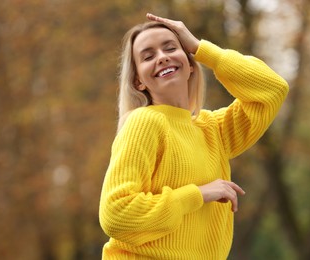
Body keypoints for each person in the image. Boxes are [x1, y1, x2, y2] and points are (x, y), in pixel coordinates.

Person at [99, 13, 289, 259]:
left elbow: (272, 88)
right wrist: (198, 194)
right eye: (148, 56)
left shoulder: (212, 129)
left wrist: (201, 48)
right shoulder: (143, 122)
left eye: (170, 48)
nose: (162, 57)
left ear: (190, 64)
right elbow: (116, 214)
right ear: (138, 81)